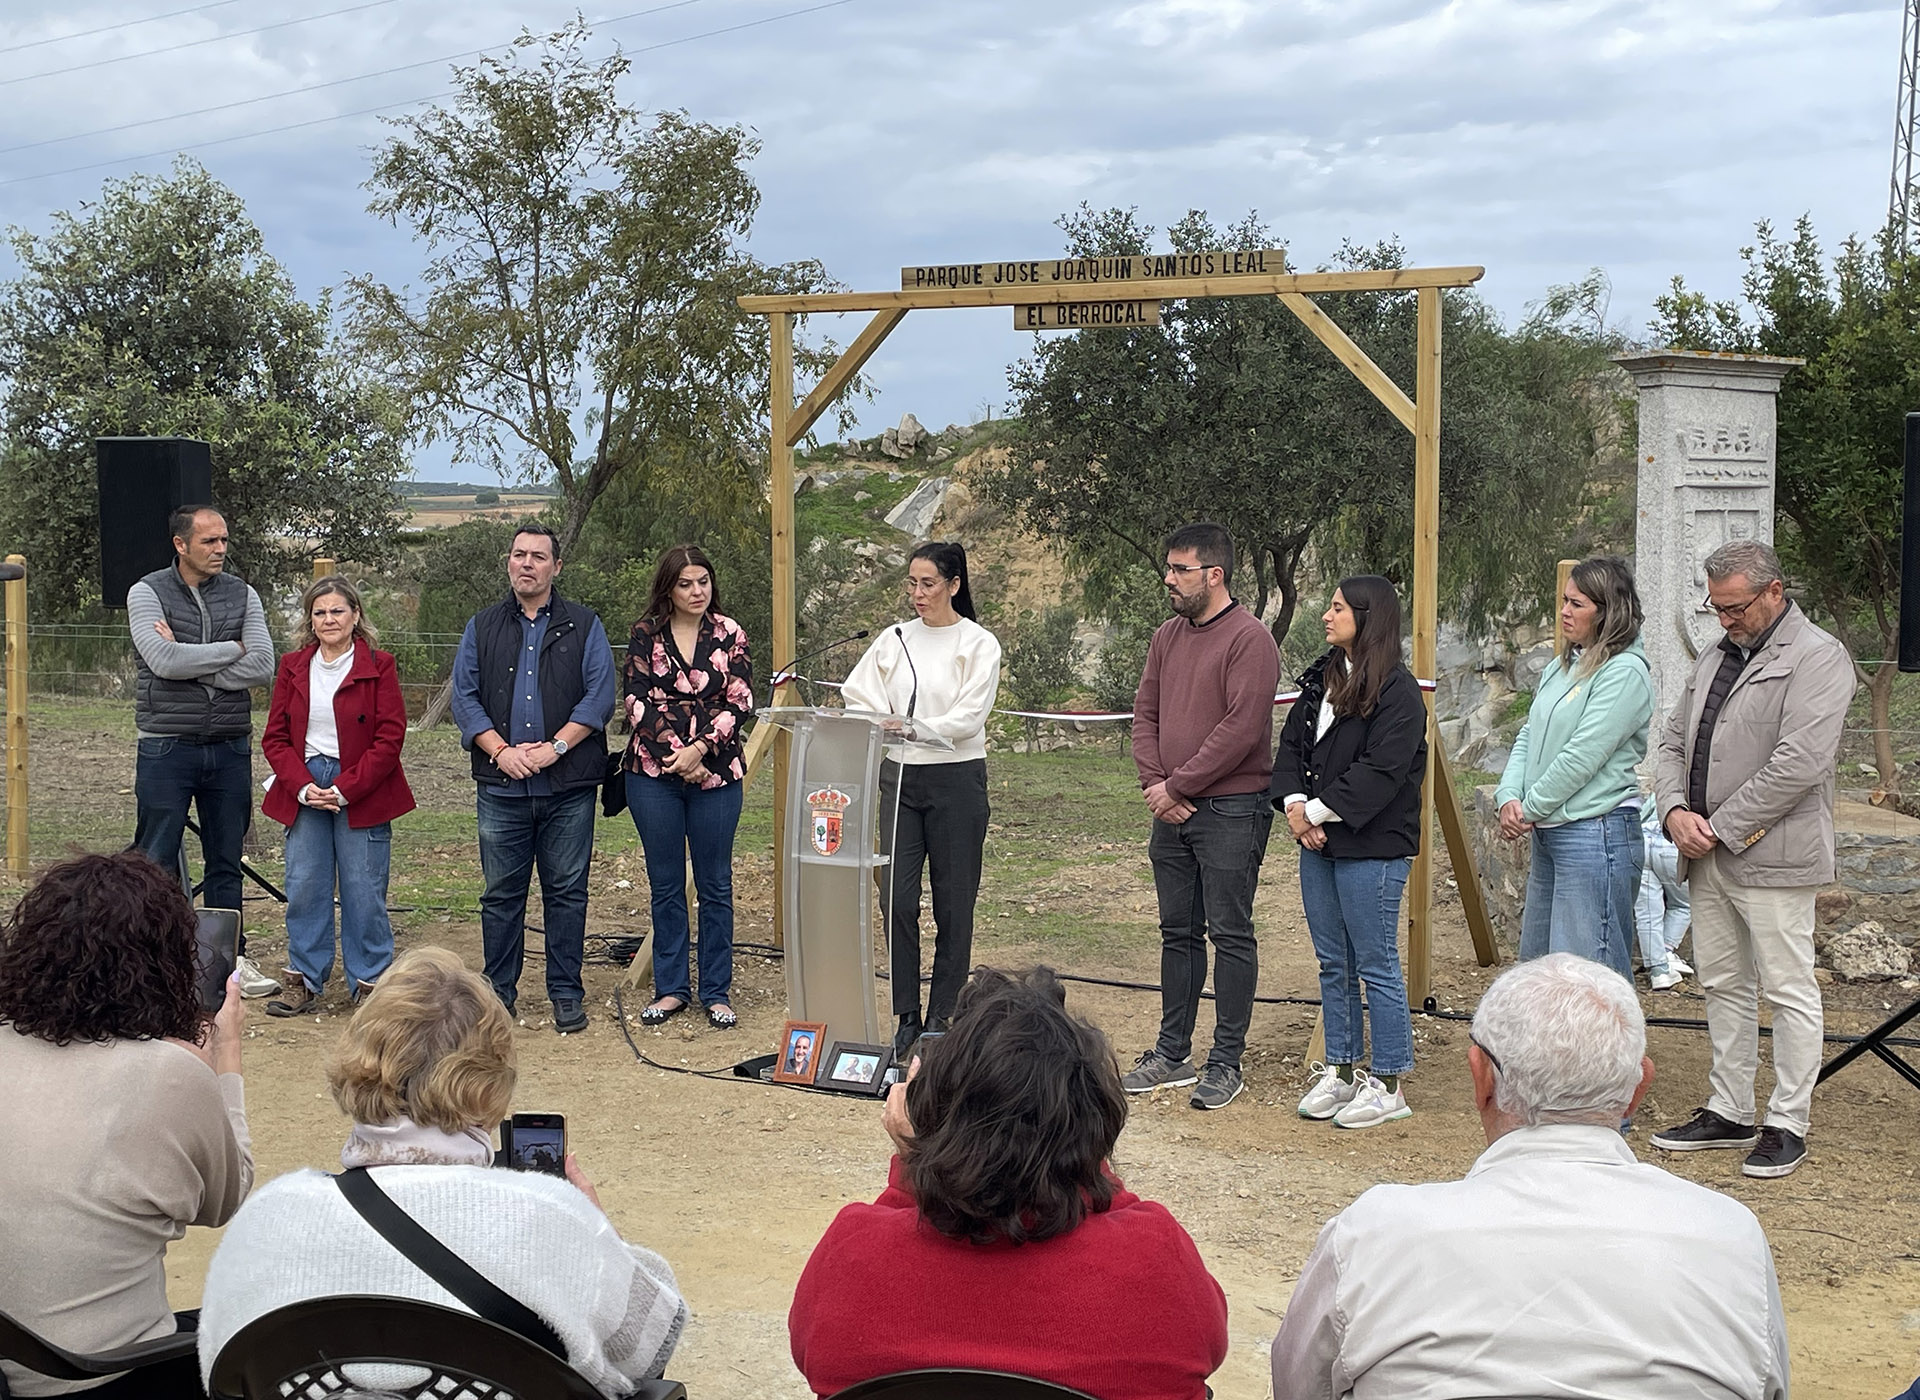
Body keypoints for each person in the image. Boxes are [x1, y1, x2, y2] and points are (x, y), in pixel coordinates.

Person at [1268, 953, 1789, 1400]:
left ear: (1481, 1078)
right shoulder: (1731, 1237)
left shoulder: (1373, 1234)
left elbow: (1297, 1386)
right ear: (1637, 1091)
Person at [197, 946, 686, 1399]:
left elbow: (217, 1370)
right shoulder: (554, 1219)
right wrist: (604, 1233)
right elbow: (649, 1348)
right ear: (489, 1085)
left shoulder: (265, 1220)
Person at [789, 967, 1227, 1400]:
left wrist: (912, 1164)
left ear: (927, 1114)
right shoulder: (1156, 1262)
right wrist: (1086, 1163)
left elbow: (813, 1356)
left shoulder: (850, 1259)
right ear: (1095, 1122)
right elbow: (1208, 1342)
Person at [0, 852, 252, 1399]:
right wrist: (224, 1050)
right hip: (101, 1373)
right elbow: (224, 1201)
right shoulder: (169, 1073)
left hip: (10, 1364)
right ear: (167, 964)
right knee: (262, 1330)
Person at [1650, 539, 1854, 1179]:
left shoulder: (1819, 657)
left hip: (1774, 856)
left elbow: (1800, 763)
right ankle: (1730, 1109)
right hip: (1706, 852)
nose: (1725, 618)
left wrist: (1718, 827)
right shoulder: (1716, 653)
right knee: (1723, 983)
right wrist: (1673, 811)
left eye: (1735, 607)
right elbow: (1673, 741)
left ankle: (1788, 1121)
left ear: (1775, 591)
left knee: (1788, 988)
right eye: (1716, 607)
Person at [1124, 522, 1279, 1111]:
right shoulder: (1166, 637)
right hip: (1170, 810)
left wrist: (1177, 785)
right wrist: (1155, 785)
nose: (1168, 578)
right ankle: (1172, 1054)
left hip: (1232, 810)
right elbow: (1145, 714)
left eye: (1179, 569)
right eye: (1168, 567)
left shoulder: (1250, 639)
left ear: (1214, 575)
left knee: (1230, 933)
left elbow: (1241, 729)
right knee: (1178, 932)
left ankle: (1225, 1061)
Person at [840, 542, 1003, 1059]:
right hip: (900, 777)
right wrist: (883, 722)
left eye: (928, 583)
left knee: (953, 901)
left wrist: (916, 726)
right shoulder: (893, 639)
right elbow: (857, 693)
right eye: (911, 583)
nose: (917, 593)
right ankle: (907, 1013)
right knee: (897, 897)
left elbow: (969, 716)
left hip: (955, 779)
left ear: (954, 585)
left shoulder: (978, 643)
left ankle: (941, 1016)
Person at [1275, 577, 1427, 1130]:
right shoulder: (1323, 677)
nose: (1326, 615)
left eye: (1337, 608)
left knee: (1375, 962)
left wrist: (1315, 813)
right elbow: (1292, 747)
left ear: (1368, 617)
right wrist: (1295, 806)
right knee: (1333, 961)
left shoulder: (1399, 693)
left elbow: (1381, 771)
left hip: (1373, 848)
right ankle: (1340, 1069)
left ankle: (1388, 1082)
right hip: (1319, 843)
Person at [450, 524, 615, 1034]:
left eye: (538, 556)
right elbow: (464, 698)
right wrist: (500, 752)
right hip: (501, 786)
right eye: (519, 554)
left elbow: (600, 697)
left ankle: (566, 992)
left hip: (568, 788)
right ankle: (498, 994)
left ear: (556, 567)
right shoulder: (481, 626)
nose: (527, 563)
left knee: (566, 892)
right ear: (508, 561)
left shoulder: (585, 625)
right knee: (501, 894)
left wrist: (554, 748)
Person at [127, 504, 279, 998]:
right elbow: (163, 660)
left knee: (226, 861)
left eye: (224, 540)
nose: (220, 549)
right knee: (155, 860)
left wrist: (190, 660)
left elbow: (262, 665)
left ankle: (228, 964)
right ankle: (157, 964)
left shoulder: (243, 593)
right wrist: (232, 649)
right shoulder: (146, 592)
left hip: (229, 746)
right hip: (166, 747)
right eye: (209, 541)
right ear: (181, 544)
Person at [1494, 555, 1656, 979]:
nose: (1564, 611)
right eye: (1565, 601)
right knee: (1538, 973)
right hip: (1551, 832)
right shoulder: (1561, 666)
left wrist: (1528, 809)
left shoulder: (1625, 673)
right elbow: (1528, 735)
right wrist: (1508, 796)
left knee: (1586, 980)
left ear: (1607, 612)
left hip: (1594, 834)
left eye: (1577, 604)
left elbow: (1583, 756)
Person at [260, 576, 416, 1017]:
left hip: (360, 784)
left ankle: (371, 984)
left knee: (363, 888)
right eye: (320, 612)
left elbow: (390, 737)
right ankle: (303, 979)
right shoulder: (292, 666)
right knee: (304, 885)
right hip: (305, 782)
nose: (329, 619)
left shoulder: (379, 665)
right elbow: (275, 738)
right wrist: (302, 786)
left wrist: (346, 789)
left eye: (337, 611)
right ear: (310, 620)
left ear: (356, 615)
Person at [621, 545, 753, 1031]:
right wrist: (677, 756)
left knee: (715, 884)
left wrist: (700, 752)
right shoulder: (644, 634)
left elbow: (740, 699)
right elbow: (635, 700)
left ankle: (716, 991)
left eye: (703, 581)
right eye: (685, 584)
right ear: (668, 588)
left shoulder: (730, 633)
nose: (697, 591)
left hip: (717, 773)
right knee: (666, 884)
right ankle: (672, 987)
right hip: (653, 774)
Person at [1635, 802, 1694, 991]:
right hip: (1672, 845)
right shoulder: (1694, 794)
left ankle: (1659, 970)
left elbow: (1641, 814)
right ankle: (1666, 952)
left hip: (1643, 843)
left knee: (1647, 914)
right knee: (1684, 904)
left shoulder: (1660, 794)